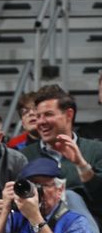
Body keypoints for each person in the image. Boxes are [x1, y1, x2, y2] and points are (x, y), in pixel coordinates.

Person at [22, 85, 102, 222]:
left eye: (48, 114)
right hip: (41, 229)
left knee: (71, 196)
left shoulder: (97, 150)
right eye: (38, 116)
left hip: (88, 228)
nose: (40, 122)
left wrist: (81, 165)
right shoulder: (24, 156)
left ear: (69, 115)